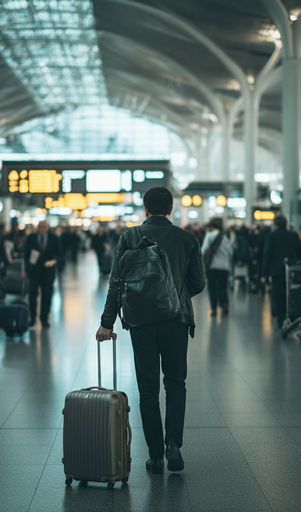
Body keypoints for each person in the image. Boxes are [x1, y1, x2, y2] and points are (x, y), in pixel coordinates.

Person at [96, 186, 206, 475]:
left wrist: (107, 322)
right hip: (176, 319)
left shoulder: (130, 237)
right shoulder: (187, 238)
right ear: (170, 209)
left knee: (147, 389)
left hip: (141, 321)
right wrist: (174, 296)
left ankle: (155, 456)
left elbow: (116, 283)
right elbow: (198, 282)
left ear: (145, 209)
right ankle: (174, 446)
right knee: (175, 383)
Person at [261, 215, 301, 329]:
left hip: (276, 271)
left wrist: (264, 273)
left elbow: (267, 255)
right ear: (286, 223)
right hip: (291, 271)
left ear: (275, 224)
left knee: (277, 296)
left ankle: (281, 321)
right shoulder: (293, 235)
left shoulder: (271, 236)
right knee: (289, 296)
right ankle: (290, 318)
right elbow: (300, 254)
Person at [23, 220, 64, 328]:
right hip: (34, 271)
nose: (41, 229)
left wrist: (53, 261)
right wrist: (25, 270)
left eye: (44, 227)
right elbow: (26, 255)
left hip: (48, 271)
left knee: (47, 296)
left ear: (48, 227)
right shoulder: (31, 238)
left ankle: (44, 319)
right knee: (32, 296)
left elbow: (60, 254)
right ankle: (32, 319)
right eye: (40, 227)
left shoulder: (54, 238)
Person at [201, 219, 233, 316]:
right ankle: (225, 304)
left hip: (213, 267)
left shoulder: (209, 236)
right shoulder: (225, 237)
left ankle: (214, 309)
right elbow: (230, 252)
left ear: (211, 227)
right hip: (224, 267)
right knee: (223, 287)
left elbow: (204, 250)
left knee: (212, 288)